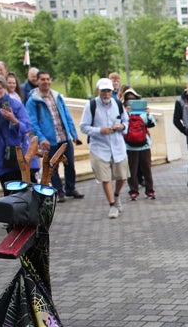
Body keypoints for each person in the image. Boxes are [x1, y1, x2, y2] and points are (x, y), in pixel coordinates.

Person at [26, 70, 84, 201]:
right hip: (49, 139)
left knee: (70, 164)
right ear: (37, 81)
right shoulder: (33, 101)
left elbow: (67, 115)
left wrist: (73, 134)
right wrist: (41, 138)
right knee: (52, 167)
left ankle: (70, 188)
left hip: (64, 137)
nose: (46, 82)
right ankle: (59, 191)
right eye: (42, 79)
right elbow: (33, 122)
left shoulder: (57, 96)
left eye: (48, 79)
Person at [80, 77, 129, 218]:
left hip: (117, 146)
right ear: (98, 91)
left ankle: (117, 195)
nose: (106, 94)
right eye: (103, 91)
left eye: (109, 91)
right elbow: (83, 126)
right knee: (105, 178)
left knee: (122, 175)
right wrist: (99, 130)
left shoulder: (118, 104)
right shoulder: (91, 106)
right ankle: (112, 204)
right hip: (99, 148)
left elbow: (126, 121)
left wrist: (122, 126)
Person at [122, 87, 156, 200]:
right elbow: (120, 125)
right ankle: (133, 190)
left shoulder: (142, 113)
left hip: (144, 144)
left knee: (147, 168)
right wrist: (126, 113)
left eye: (133, 99)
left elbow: (151, 124)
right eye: (128, 99)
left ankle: (150, 190)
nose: (131, 101)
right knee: (132, 170)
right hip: (130, 145)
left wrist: (147, 113)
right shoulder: (122, 112)